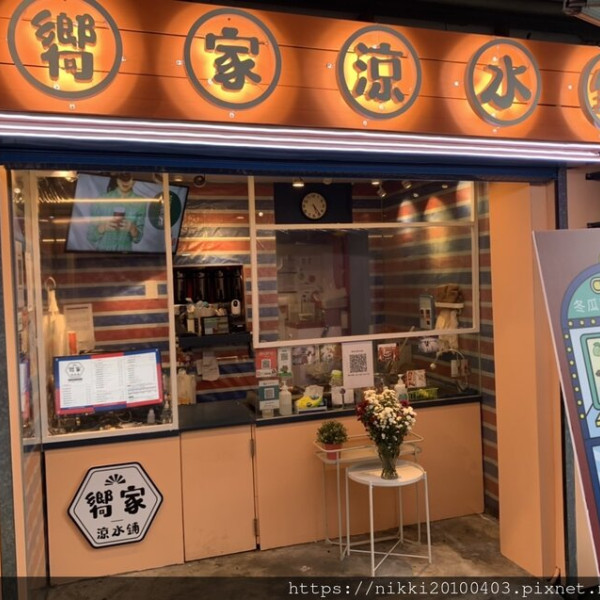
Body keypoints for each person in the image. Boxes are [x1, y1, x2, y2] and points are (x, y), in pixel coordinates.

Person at [87, 173, 146, 251]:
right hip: (102, 254)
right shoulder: (102, 199)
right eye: (122, 177)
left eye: (129, 178)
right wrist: (103, 227)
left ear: (135, 180)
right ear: (117, 179)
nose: (125, 182)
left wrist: (132, 228)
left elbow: (138, 239)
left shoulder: (140, 202)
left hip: (125, 255)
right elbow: (91, 236)